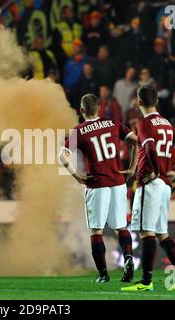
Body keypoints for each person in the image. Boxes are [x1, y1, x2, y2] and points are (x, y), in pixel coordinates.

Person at [60, 93, 138, 284]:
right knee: (121, 227)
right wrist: (132, 168)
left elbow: (62, 156)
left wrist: (77, 176)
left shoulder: (78, 131)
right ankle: (128, 258)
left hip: (97, 184)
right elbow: (136, 141)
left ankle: (103, 274)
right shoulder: (113, 123)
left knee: (96, 231)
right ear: (99, 109)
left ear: (82, 111)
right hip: (118, 182)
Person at [121, 85, 175, 292]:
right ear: (157, 101)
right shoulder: (166, 123)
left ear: (138, 102)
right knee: (162, 233)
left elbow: (150, 147)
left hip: (150, 182)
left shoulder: (143, 123)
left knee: (146, 232)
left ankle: (145, 282)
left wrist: (158, 171)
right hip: (164, 185)